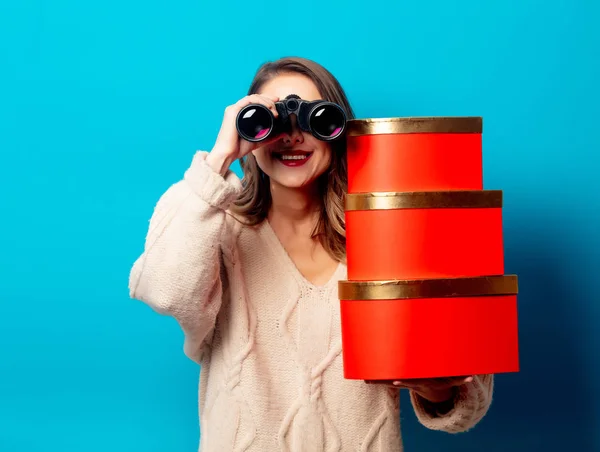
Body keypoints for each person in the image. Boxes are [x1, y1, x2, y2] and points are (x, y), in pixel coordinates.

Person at [128, 56, 493, 451]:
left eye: (312, 118)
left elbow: (468, 395)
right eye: (273, 120)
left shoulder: (392, 235)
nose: (291, 136)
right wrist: (220, 158)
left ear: (337, 130)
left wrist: (438, 390)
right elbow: (165, 290)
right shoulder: (213, 230)